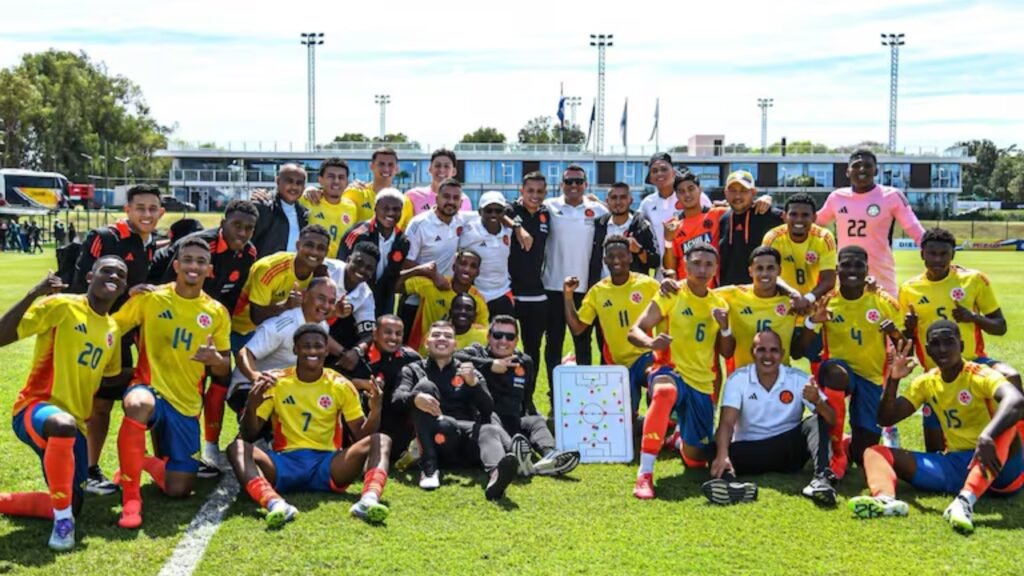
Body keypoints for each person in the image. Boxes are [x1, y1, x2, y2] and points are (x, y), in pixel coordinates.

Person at [0, 258, 127, 551]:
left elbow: (110, 377)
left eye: (120, 274)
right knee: (62, 424)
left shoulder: (112, 328)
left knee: (72, 502)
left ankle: (9, 502)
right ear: (90, 276)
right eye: (107, 270)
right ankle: (63, 525)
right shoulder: (62, 305)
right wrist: (34, 293)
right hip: (35, 408)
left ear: (124, 286)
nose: (113, 276)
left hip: (76, 425)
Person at [849, 323, 1024, 534]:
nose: (942, 349)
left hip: (1000, 465)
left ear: (961, 345)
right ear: (928, 350)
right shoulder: (926, 382)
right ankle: (886, 500)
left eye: (949, 342)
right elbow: (886, 418)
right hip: (958, 465)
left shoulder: (979, 374)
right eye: (936, 344)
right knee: (874, 452)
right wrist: (893, 379)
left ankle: (964, 502)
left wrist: (987, 435)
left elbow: (1016, 400)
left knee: (1008, 428)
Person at [111, 236, 232, 529]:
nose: (193, 266)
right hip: (149, 388)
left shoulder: (216, 312)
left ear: (209, 270)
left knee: (179, 489)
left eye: (201, 262)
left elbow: (225, 366)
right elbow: (112, 327)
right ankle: (131, 499)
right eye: (187, 260)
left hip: (187, 404)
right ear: (176, 265)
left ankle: (141, 460)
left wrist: (215, 358)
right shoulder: (151, 298)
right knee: (138, 404)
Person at [229, 323, 392, 526]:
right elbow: (248, 434)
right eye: (306, 346)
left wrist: (375, 410)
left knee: (381, 440)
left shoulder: (340, 384)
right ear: (295, 349)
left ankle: (368, 501)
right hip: (284, 463)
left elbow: (361, 436)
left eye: (318, 346)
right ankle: (275, 504)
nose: (312, 351)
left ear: (326, 350)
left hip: (329, 465)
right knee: (237, 447)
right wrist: (252, 406)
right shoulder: (276, 382)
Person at [149, 200, 260, 475]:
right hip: (176, 323)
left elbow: (231, 297)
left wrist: (219, 327)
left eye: (248, 228)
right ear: (223, 224)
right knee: (185, 386)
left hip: (213, 322)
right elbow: (167, 283)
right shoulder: (199, 246)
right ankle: (164, 452)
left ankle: (211, 447)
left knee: (222, 376)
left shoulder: (249, 253)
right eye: (237, 225)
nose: (242, 233)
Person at [71, 184, 163, 496]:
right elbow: (80, 286)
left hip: (121, 337)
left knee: (106, 404)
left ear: (161, 212)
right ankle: (79, 472)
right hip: (91, 334)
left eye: (152, 209)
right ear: (127, 210)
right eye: (140, 208)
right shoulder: (105, 237)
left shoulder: (149, 244)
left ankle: (92, 469)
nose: (147, 214)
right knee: (85, 406)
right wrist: (127, 294)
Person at [627, 242, 735, 499]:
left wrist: (725, 327)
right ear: (685, 265)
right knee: (664, 392)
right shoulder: (671, 293)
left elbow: (727, 352)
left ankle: (678, 440)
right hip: (669, 370)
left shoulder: (719, 303)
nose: (702, 269)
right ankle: (645, 473)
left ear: (716, 268)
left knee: (696, 460)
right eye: (696, 263)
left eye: (708, 264)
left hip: (702, 383)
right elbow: (635, 330)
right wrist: (651, 343)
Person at [800, 246, 903, 479]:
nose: (852, 270)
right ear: (837, 269)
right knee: (837, 374)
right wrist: (813, 321)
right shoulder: (827, 301)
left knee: (862, 453)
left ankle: (845, 445)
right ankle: (835, 454)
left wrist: (895, 334)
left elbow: (904, 346)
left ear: (867, 269)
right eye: (846, 265)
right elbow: (802, 349)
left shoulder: (884, 302)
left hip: (870, 377)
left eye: (859, 265)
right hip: (836, 371)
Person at [704, 330, 837, 507]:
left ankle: (821, 480)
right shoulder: (738, 379)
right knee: (713, 449)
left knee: (816, 420)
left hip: (788, 451)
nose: (768, 356)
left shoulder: (798, 379)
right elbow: (727, 423)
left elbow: (831, 419)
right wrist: (722, 455)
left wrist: (817, 401)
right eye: (761, 350)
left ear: (782, 354)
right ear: (752, 353)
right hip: (750, 449)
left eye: (774, 350)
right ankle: (731, 485)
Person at [392, 321, 518, 500]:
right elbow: (397, 398)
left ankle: (497, 478)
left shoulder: (468, 371)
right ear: (427, 342)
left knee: (489, 430)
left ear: (455, 345)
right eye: (436, 335)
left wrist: (474, 384)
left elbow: (487, 409)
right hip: (433, 437)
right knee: (425, 388)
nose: (442, 339)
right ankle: (429, 469)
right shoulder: (413, 369)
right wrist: (415, 398)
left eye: (448, 336)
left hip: (462, 441)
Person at [456, 316, 581, 477]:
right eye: (497, 335)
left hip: (514, 421)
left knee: (536, 421)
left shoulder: (524, 361)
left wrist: (535, 416)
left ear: (516, 340)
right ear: (488, 336)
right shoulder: (477, 352)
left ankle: (551, 457)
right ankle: (515, 455)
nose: (503, 341)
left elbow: (527, 399)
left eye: (510, 337)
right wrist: (490, 364)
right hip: (487, 424)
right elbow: (454, 357)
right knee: (490, 415)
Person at [565, 235, 660, 415]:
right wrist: (568, 296)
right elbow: (577, 328)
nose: (617, 260)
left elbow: (671, 305)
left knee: (658, 384)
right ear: (605, 260)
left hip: (645, 356)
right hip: (617, 364)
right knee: (623, 418)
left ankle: (664, 425)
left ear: (630, 257)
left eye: (622, 255)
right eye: (611, 256)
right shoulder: (598, 292)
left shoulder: (648, 284)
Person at [816, 149, 926, 296]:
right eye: (856, 165)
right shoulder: (836, 197)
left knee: (886, 310)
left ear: (876, 171)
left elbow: (914, 229)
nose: (862, 169)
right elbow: (816, 221)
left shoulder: (891, 196)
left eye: (867, 165)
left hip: (881, 275)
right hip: (846, 273)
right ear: (847, 172)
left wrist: (934, 250)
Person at [227, 277, 338, 416]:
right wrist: (256, 377)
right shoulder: (282, 325)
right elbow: (244, 353)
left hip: (283, 389)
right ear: (305, 296)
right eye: (321, 298)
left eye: (331, 301)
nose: (326, 306)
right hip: (246, 387)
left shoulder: (323, 326)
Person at [542, 165, 608, 387]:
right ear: (561, 184)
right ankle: (554, 393)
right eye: (569, 181)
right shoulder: (549, 206)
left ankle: (584, 390)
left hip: (585, 288)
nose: (573, 186)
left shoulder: (598, 210)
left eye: (578, 181)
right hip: (553, 285)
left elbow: (621, 217)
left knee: (583, 342)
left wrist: (600, 201)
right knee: (554, 343)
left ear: (585, 184)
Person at [230, 224, 331, 351]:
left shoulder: (320, 274)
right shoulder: (269, 269)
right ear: (298, 245)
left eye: (321, 248)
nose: (314, 252)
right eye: (309, 245)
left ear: (326, 252)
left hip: (276, 330)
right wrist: (286, 306)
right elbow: (256, 317)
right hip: (239, 328)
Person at [342, 315, 421, 465]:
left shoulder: (412, 358)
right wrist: (363, 384)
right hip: (365, 420)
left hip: (397, 419)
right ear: (375, 334)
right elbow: (336, 382)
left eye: (398, 333)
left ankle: (414, 447)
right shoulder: (357, 358)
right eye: (388, 332)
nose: (393, 338)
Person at [714, 246, 800, 374]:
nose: (764, 274)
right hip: (744, 378)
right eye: (759, 268)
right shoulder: (733, 295)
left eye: (770, 268)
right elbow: (702, 294)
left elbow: (811, 310)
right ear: (750, 271)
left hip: (781, 378)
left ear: (779, 271)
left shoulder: (791, 302)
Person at [398, 248, 488, 354]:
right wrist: (419, 270)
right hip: (420, 351)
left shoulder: (478, 301)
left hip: (455, 356)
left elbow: (482, 334)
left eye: (473, 266)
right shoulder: (433, 285)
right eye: (463, 264)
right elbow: (393, 287)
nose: (467, 269)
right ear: (454, 267)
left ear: (478, 272)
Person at [508, 172, 550, 391]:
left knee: (532, 351)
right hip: (510, 292)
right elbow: (494, 212)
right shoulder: (510, 210)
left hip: (537, 294)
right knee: (504, 347)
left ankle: (528, 398)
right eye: (530, 191)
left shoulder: (546, 213)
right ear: (521, 191)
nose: (535, 195)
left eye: (540, 191)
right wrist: (517, 227)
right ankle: (507, 398)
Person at [338, 189, 410, 318]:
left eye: (396, 209)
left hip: (384, 298)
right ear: (376, 208)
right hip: (353, 296)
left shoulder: (403, 241)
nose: (391, 213)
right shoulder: (357, 234)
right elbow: (341, 266)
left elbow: (392, 275)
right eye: (385, 208)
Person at [761, 193, 837, 310]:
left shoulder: (824, 237)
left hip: (813, 301)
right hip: (782, 302)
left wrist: (808, 299)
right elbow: (768, 274)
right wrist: (793, 294)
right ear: (785, 216)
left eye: (805, 215)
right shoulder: (773, 238)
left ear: (814, 217)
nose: (799, 220)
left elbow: (828, 280)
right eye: (793, 214)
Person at [638, 153, 712, 261]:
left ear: (673, 172)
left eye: (664, 169)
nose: (659, 173)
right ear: (651, 178)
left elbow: (713, 221)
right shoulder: (647, 204)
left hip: (695, 263)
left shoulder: (695, 196)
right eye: (654, 171)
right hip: (663, 266)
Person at [718, 170, 784, 287]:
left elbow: (798, 220)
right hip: (727, 292)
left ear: (753, 192)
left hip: (761, 292)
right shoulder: (722, 218)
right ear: (725, 193)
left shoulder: (769, 215)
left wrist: (768, 198)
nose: (737, 196)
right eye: (733, 191)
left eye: (744, 191)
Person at [662, 171, 729, 283]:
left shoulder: (718, 214)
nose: (687, 194)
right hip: (686, 288)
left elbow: (743, 207)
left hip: (714, 288)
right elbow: (670, 268)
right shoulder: (673, 225)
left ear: (700, 189)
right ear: (676, 196)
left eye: (691, 189)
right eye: (681, 191)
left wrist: (761, 200)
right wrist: (668, 241)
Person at [321, 242, 379, 372]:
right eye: (358, 262)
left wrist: (356, 351)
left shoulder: (366, 294)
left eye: (369, 268)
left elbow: (369, 334)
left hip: (325, 332)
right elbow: (307, 314)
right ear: (348, 260)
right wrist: (334, 312)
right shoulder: (326, 268)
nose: (362, 270)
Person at [588, 182, 659, 284]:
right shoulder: (599, 224)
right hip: (603, 287)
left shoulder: (641, 225)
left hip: (633, 288)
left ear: (630, 200)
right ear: (607, 201)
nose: (618, 202)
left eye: (623, 197)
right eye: (614, 198)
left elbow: (655, 262)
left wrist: (639, 250)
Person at [458, 191, 515, 318]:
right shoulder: (468, 231)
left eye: (498, 210)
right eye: (489, 210)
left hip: (502, 293)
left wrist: (518, 227)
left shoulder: (509, 231)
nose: (493, 214)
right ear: (480, 212)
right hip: (475, 293)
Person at [398, 148, 472, 230]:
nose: (441, 170)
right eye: (437, 165)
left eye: (446, 166)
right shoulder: (412, 196)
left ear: (454, 171)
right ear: (430, 169)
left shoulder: (464, 200)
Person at [300, 158, 358, 258]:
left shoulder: (351, 207)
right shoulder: (307, 200)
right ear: (320, 180)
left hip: (338, 264)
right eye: (331, 176)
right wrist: (308, 189)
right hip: (310, 262)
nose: (336, 181)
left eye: (341, 177)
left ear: (347, 182)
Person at [250, 163, 310, 257]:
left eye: (299, 183)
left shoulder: (304, 214)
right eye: (289, 181)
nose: (294, 187)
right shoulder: (263, 207)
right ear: (278, 181)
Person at [344, 146, 399, 223]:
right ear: (371, 166)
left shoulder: (402, 201)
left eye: (390, 165)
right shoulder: (355, 193)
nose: (386, 169)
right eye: (381, 164)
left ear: (397, 169)